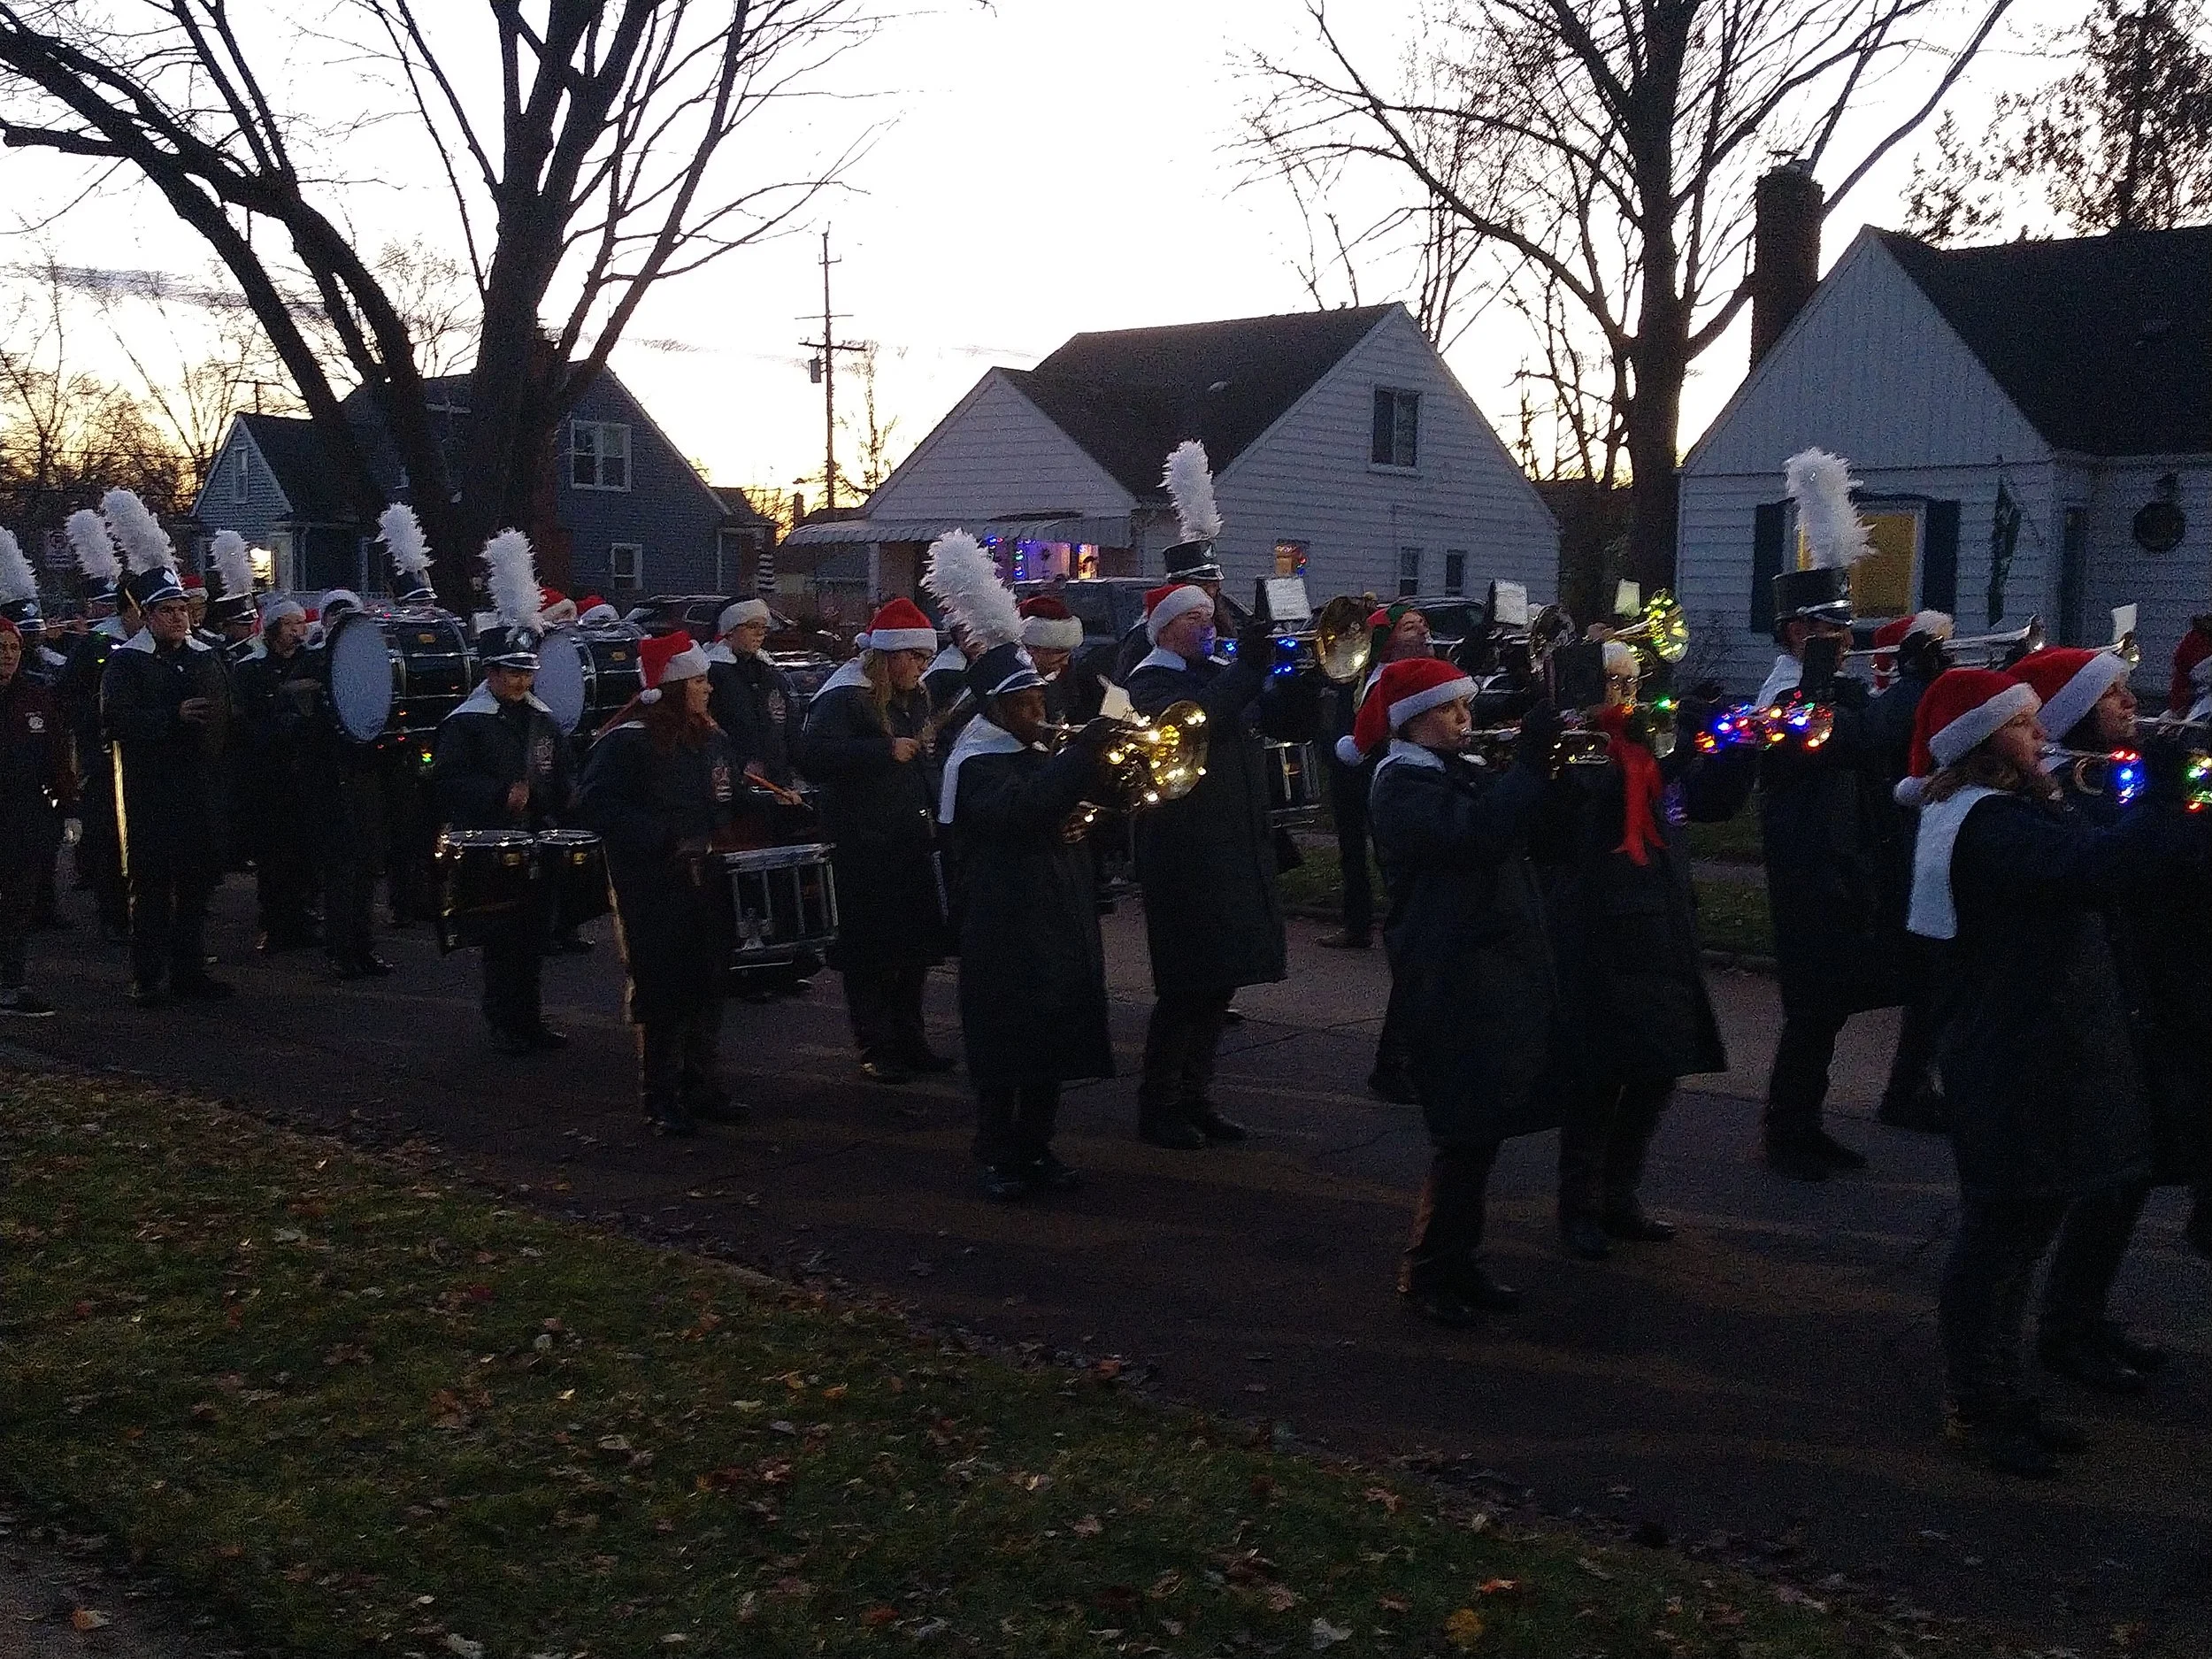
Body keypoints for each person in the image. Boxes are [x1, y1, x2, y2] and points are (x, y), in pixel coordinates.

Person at [1897, 666, 2205, 1476]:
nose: (2042, 734)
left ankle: (2001, 1393)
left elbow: (2098, 851)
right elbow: (2098, 869)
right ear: (1983, 742)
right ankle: (1976, 1403)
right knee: (1998, 1239)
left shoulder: (2011, 811)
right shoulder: (1989, 824)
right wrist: (2172, 801)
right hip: (2011, 1052)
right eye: (2024, 723)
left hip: (2031, 1046)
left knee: (2022, 1235)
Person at [2006, 646, 2200, 1394]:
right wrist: (2158, 802)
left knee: (2133, 1174)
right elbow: (2114, 866)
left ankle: (2083, 1314)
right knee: (2100, 1179)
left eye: (2124, 690)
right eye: (2112, 692)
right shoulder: (2062, 790)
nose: (2129, 702)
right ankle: (2060, 1328)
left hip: (2148, 992)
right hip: (2098, 1002)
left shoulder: (2107, 776)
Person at [1352, 657, 1567, 1325]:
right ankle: (1428, 1269)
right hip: (1449, 968)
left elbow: (1520, 826)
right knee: (1463, 1126)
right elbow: (1474, 837)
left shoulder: (1451, 771)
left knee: (1481, 1128)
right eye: (1450, 710)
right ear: (1413, 721)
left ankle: (1460, 1258)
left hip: (1482, 961)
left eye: (1466, 708)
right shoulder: (1401, 787)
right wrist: (1530, 762)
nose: (1465, 720)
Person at [1539, 641, 1755, 1258]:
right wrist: (1683, 741)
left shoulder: (1647, 739)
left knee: (1658, 1066)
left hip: (1661, 924)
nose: (1627, 691)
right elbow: (1598, 798)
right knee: (1599, 1075)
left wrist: (1738, 746)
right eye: (1613, 680)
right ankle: (1579, 1205)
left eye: (1632, 679)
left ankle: (1620, 1194)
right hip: (1600, 929)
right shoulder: (1577, 745)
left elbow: (1708, 803)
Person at [926, 534, 1118, 1201]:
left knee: (1051, 1044)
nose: (1040, 712)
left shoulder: (1034, 749)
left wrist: (1095, 798)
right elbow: (1022, 811)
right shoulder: (976, 762)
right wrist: (1078, 761)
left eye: (1040, 700)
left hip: (1055, 916)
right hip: (1003, 927)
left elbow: (1060, 807)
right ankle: (995, 1153)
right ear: (995, 709)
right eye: (1026, 704)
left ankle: (1036, 1148)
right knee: (1008, 1045)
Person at [1752, 450, 1907, 1179]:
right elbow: (1850, 741)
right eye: (1830, 628)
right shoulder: (1783, 697)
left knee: (1828, 1008)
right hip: (1807, 863)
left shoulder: (1831, 687)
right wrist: (1910, 688)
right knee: (1812, 1007)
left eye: (1846, 627)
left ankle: (1801, 1121)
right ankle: (1788, 1129)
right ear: (1796, 633)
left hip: (1843, 856)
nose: (1848, 639)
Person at [1125, 581, 1316, 1148]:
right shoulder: (1150, 681)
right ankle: (1158, 1106)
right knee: (1187, 984)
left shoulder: (1211, 671)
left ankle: (1196, 1097)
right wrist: (1248, 669)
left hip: (1231, 841)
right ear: (1163, 628)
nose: (1207, 625)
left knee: (1218, 984)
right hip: (1184, 851)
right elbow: (1194, 724)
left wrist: (1303, 676)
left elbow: (1278, 720)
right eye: (1194, 617)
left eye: (1211, 615)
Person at [579, 633, 744, 1136]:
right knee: (662, 986)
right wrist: (660, 838)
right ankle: (661, 1096)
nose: (708, 689)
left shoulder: (712, 737)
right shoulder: (629, 741)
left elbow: (726, 795)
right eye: (698, 681)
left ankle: (703, 1085)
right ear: (673, 687)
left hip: (705, 877)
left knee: (708, 981)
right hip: (653, 882)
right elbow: (594, 803)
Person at [793, 596, 951, 1084]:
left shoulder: (914, 696)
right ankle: (875, 1044)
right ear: (891, 655)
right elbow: (812, 756)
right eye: (917, 657)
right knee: (871, 950)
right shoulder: (844, 696)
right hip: (863, 841)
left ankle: (910, 1038)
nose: (924, 667)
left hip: (908, 837)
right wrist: (883, 750)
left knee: (913, 949)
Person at [434, 541, 575, 1055]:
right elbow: (446, 781)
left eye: (526, 672)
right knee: (501, 937)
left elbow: (559, 772)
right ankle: (503, 1023)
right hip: (489, 842)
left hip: (537, 837)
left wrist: (564, 800)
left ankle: (529, 1019)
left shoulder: (542, 718)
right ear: (490, 674)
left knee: (535, 935)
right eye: (511, 672)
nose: (520, 680)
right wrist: (499, 794)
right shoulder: (466, 722)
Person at [102, 563, 234, 1006]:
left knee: (197, 887)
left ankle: (189, 973)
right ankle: (148, 977)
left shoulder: (203, 656)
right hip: (151, 792)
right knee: (153, 887)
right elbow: (116, 720)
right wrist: (172, 717)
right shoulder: (126, 663)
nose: (180, 617)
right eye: (168, 610)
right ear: (148, 616)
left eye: (182, 609)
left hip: (199, 788)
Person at [1861, 611, 1957, 1133]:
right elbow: (1889, 732)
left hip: (1918, 842)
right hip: (1900, 844)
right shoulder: (1895, 698)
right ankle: (1906, 1091)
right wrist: (1918, 678)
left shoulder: (1918, 692)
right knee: (1928, 982)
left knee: (1936, 984)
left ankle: (1914, 1085)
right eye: (1938, 646)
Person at [56, 511, 134, 945]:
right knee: (106, 832)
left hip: (134, 752)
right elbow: (73, 697)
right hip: (101, 754)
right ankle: (111, 911)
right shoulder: (94, 646)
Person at [230, 598, 324, 951]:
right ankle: (274, 922)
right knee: (273, 854)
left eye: (300, 624)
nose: (297, 632)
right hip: (268, 773)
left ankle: (303, 915)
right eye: (288, 625)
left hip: (306, 771)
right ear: (270, 632)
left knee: (306, 850)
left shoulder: (312, 663)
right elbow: (244, 724)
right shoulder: (250, 669)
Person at [0, 614, 77, 1016]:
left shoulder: (35, 698)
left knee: (17, 905)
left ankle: (11, 984)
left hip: (24, 817)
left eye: (13, 647)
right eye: (0, 648)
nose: (8, 655)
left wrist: (69, 808)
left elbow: (57, 758)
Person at [703, 598, 797, 787]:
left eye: (764, 628)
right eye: (752, 626)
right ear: (730, 630)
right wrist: (738, 764)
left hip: (777, 777)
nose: (760, 634)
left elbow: (788, 723)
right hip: (736, 779)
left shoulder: (769, 672)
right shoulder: (713, 673)